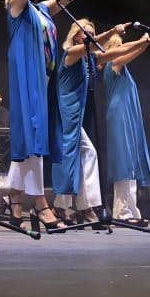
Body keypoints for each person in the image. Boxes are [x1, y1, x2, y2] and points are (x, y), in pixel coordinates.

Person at [1, 0, 123, 230]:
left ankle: (14, 202)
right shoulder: (17, 7)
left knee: (34, 140)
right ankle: (40, 205)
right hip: (27, 79)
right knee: (32, 138)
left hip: (43, 80)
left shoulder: (42, 9)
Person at [99, 17, 150, 223]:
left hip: (127, 113)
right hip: (118, 114)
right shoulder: (113, 63)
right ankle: (122, 211)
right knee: (124, 161)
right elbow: (133, 51)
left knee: (131, 159)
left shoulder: (122, 67)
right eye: (118, 46)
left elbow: (136, 50)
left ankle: (131, 209)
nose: (123, 49)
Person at [51, 18, 107, 223]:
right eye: (85, 32)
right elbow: (91, 45)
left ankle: (81, 205)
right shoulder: (71, 53)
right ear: (75, 35)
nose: (88, 35)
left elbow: (115, 54)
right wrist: (111, 31)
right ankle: (64, 205)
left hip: (76, 114)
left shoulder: (88, 58)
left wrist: (145, 40)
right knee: (69, 155)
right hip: (65, 113)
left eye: (91, 32)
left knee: (86, 153)